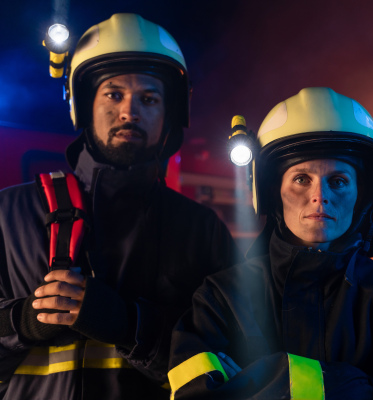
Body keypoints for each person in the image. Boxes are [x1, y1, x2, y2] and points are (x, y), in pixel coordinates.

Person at [0, 13, 242, 400]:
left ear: (170, 116)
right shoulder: (7, 214)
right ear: (83, 104)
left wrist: (126, 323)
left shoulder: (201, 230)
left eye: (149, 99)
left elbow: (228, 366)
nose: (130, 111)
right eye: (113, 94)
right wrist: (22, 321)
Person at [167, 87, 373, 399]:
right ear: (270, 192)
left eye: (338, 181)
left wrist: (267, 383)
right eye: (302, 179)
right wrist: (359, 387)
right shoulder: (219, 299)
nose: (320, 196)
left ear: (364, 195)